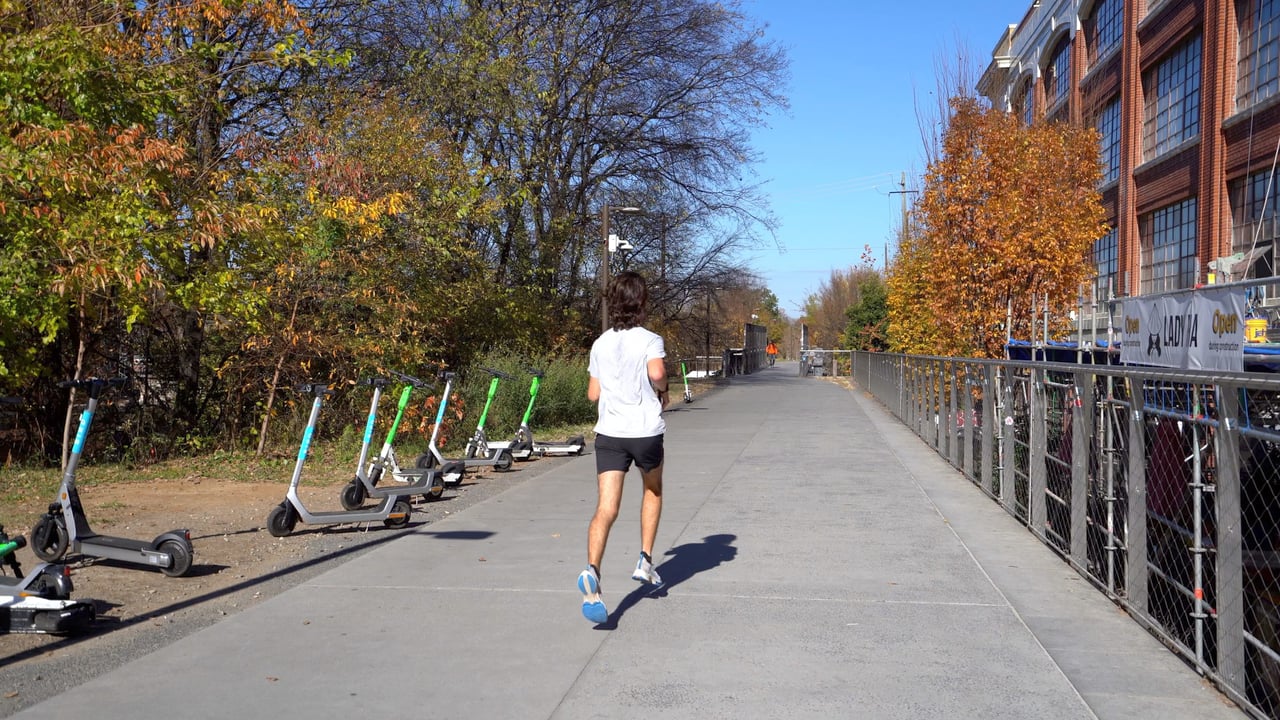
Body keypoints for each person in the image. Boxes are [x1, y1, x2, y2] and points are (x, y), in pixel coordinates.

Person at [578, 271, 669, 623]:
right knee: (653, 490)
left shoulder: (600, 343)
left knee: (606, 508)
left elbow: (593, 393)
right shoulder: (650, 339)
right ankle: (645, 560)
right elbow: (658, 373)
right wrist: (660, 389)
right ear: (642, 303)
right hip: (645, 430)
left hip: (610, 434)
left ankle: (593, 572)